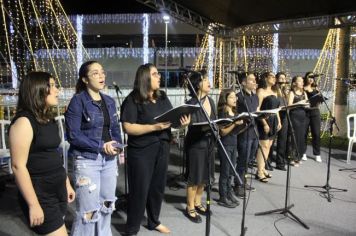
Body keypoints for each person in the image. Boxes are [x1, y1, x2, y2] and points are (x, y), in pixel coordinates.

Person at [120, 63, 190, 235]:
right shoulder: (133, 99)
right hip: (141, 152)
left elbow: (169, 121)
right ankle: (132, 229)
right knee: (139, 191)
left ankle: (153, 221)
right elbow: (128, 127)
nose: (159, 76)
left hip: (162, 147)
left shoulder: (162, 97)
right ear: (145, 78)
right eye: (155, 73)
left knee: (157, 188)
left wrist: (182, 125)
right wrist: (153, 128)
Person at [10, 71, 75, 235]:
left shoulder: (48, 118)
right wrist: (33, 204)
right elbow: (18, 166)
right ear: (37, 89)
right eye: (52, 86)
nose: (57, 90)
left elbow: (54, 154)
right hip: (41, 192)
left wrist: (66, 183)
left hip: (57, 187)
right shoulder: (24, 121)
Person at [65, 61, 122, 236]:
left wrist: (117, 146)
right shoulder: (77, 101)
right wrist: (100, 146)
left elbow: (114, 129)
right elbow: (73, 135)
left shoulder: (109, 101)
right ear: (84, 79)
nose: (101, 76)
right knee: (88, 211)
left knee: (107, 205)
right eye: (95, 73)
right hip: (87, 160)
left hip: (109, 160)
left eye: (102, 72)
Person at [184, 70, 216, 223]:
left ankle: (197, 202)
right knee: (195, 177)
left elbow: (215, 120)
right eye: (205, 80)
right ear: (197, 84)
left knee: (204, 176)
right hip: (196, 143)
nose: (209, 82)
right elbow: (185, 123)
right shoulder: (191, 103)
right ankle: (189, 206)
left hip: (209, 142)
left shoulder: (211, 100)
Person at [216, 89, 243, 208]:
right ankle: (222, 196)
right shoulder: (223, 113)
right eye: (231, 97)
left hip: (234, 143)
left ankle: (228, 192)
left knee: (231, 171)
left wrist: (244, 124)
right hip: (225, 144)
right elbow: (223, 132)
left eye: (235, 97)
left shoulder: (235, 112)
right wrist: (234, 124)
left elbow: (236, 132)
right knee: (225, 171)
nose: (235, 99)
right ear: (225, 99)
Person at [234, 72, 258, 198]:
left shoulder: (255, 96)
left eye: (255, 80)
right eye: (251, 80)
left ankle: (244, 181)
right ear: (243, 83)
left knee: (249, 160)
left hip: (254, 132)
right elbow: (234, 115)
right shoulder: (238, 97)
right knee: (242, 159)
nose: (254, 82)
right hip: (244, 133)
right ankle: (237, 184)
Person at [255, 72, 281, 183]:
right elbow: (257, 109)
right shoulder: (261, 91)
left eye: (275, 77)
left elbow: (277, 109)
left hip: (274, 119)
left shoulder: (275, 91)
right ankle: (259, 171)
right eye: (272, 77)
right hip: (264, 120)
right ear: (265, 78)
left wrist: (279, 121)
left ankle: (262, 168)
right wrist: (264, 123)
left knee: (269, 145)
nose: (274, 79)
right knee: (264, 145)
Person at [288, 75, 308, 166]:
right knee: (294, 137)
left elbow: (307, 103)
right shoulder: (292, 92)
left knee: (301, 137)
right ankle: (292, 157)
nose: (302, 82)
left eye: (302, 81)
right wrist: (299, 103)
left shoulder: (304, 92)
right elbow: (289, 105)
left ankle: (298, 157)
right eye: (300, 81)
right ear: (295, 83)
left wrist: (307, 105)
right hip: (294, 116)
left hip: (303, 116)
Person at [303, 72, 322, 163]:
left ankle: (317, 154)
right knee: (304, 133)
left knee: (316, 133)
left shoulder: (316, 88)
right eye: (309, 77)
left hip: (315, 111)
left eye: (312, 77)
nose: (311, 79)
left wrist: (319, 96)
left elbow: (319, 101)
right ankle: (303, 152)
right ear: (306, 78)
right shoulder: (303, 88)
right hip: (306, 112)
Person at [274, 72, 290, 171]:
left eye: (284, 78)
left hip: (284, 116)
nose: (283, 80)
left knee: (282, 140)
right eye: (280, 78)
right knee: (271, 140)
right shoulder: (275, 90)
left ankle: (280, 162)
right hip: (276, 115)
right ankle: (267, 160)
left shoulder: (285, 91)